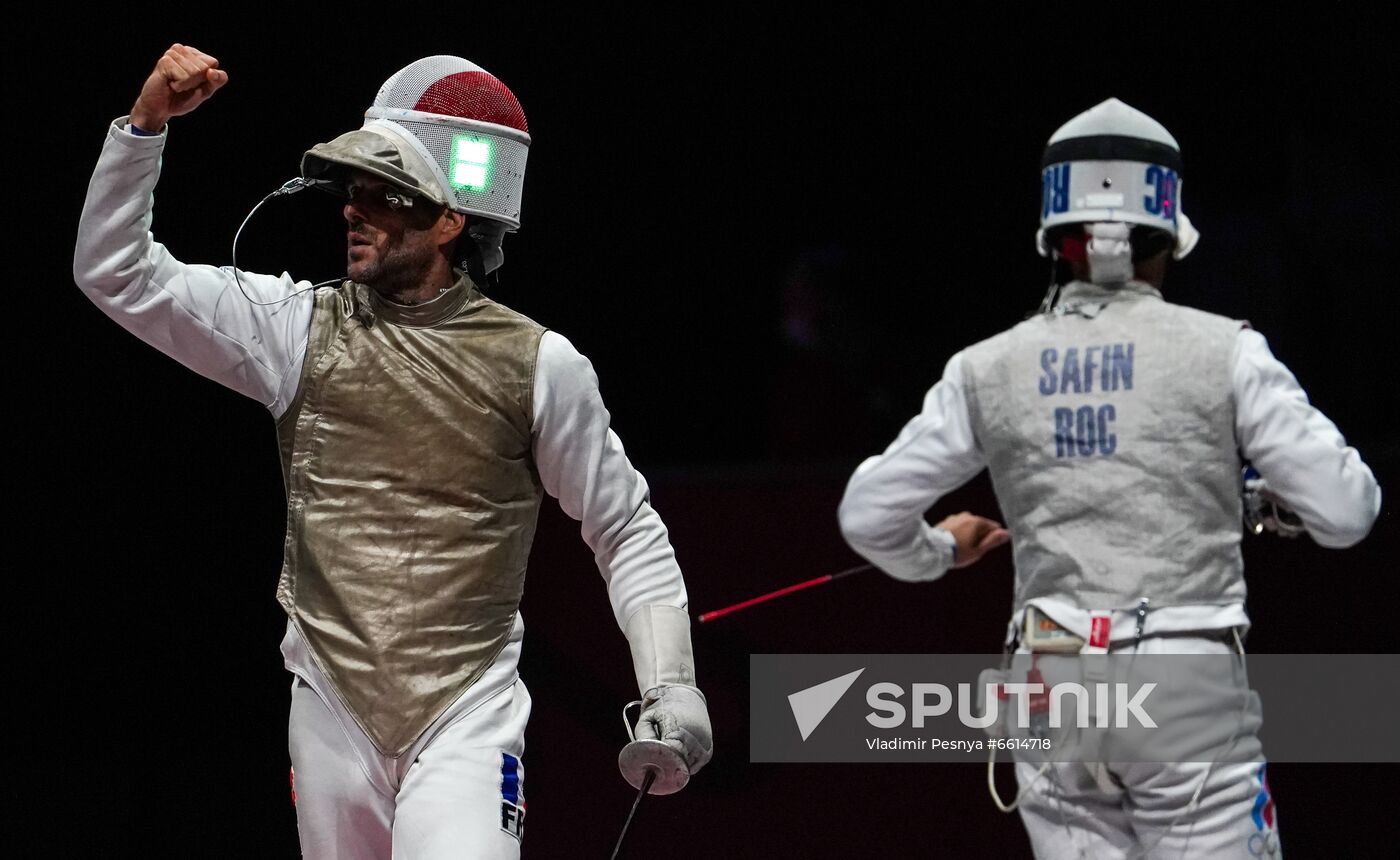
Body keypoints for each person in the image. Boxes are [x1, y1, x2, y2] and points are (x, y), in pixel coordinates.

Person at [74, 44, 712, 859]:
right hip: (329, 709)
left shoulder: (537, 365)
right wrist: (144, 127)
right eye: (354, 188)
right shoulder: (294, 330)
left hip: (466, 714)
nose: (354, 209)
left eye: (385, 193)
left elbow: (623, 526)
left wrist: (671, 682)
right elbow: (117, 273)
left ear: (449, 219)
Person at [837, 98, 1380, 858]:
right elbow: (1348, 509)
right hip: (1183, 681)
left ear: (1056, 238)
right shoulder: (1225, 351)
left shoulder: (986, 367)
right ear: (1168, 227)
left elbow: (868, 515)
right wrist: (1249, 498)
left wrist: (937, 552)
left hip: (1049, 680)